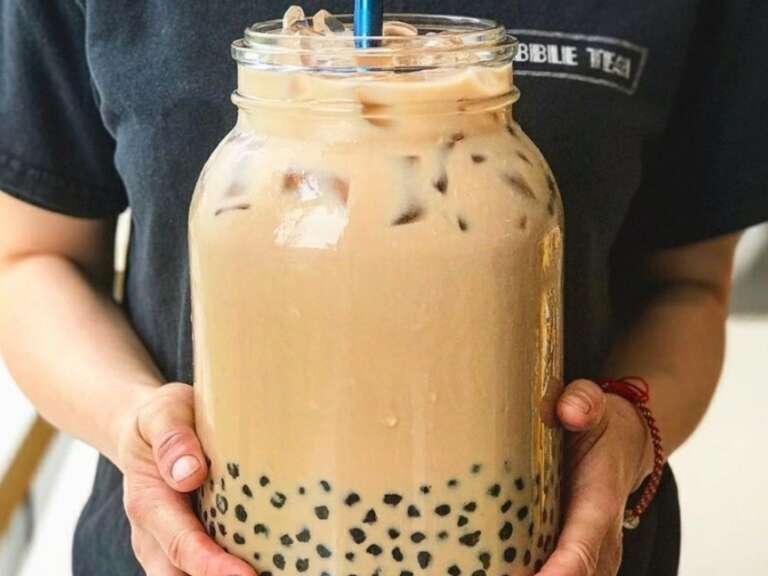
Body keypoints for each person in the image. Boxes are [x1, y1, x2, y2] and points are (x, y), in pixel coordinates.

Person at [0, 1, 765, 575]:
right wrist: (132, 421)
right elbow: (30, 259)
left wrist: (631, 432)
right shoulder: (253, 153)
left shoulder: (509, 162)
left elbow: (687, 286)